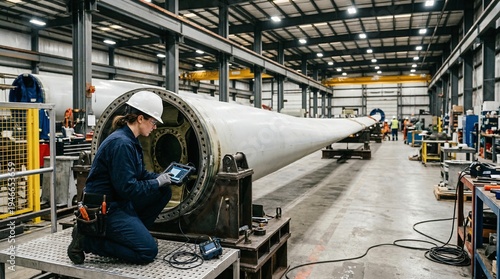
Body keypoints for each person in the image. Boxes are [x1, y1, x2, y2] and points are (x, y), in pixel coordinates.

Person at [67, 91, 172, 265]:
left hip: (118, 201)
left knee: (163, 192)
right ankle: (86, 240)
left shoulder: (130, 140)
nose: (154, 127)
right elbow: (128, 188)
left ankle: (132, 236)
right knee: (147, 251)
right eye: (153, 122)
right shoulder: (121, 144)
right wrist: (155, 182)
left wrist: (161, 179)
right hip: (106, 209)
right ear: (140, 118)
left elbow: (139, 175)